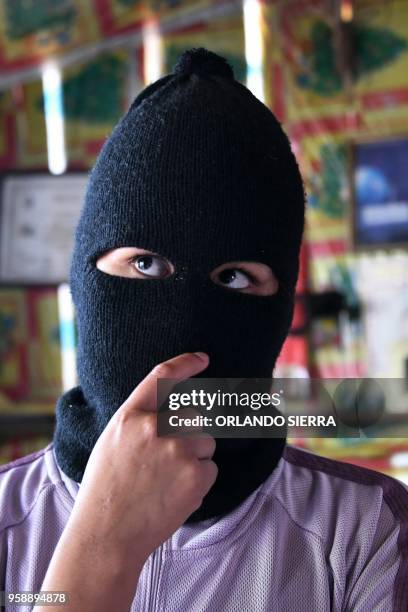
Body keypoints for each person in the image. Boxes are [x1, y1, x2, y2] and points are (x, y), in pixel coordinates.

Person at [0, 48, 407, 612]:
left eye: (236, 277)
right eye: (144, 264)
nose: (184, 320)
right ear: (85, 280)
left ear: (281, 305)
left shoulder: (365, 534)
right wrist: (103, 548)